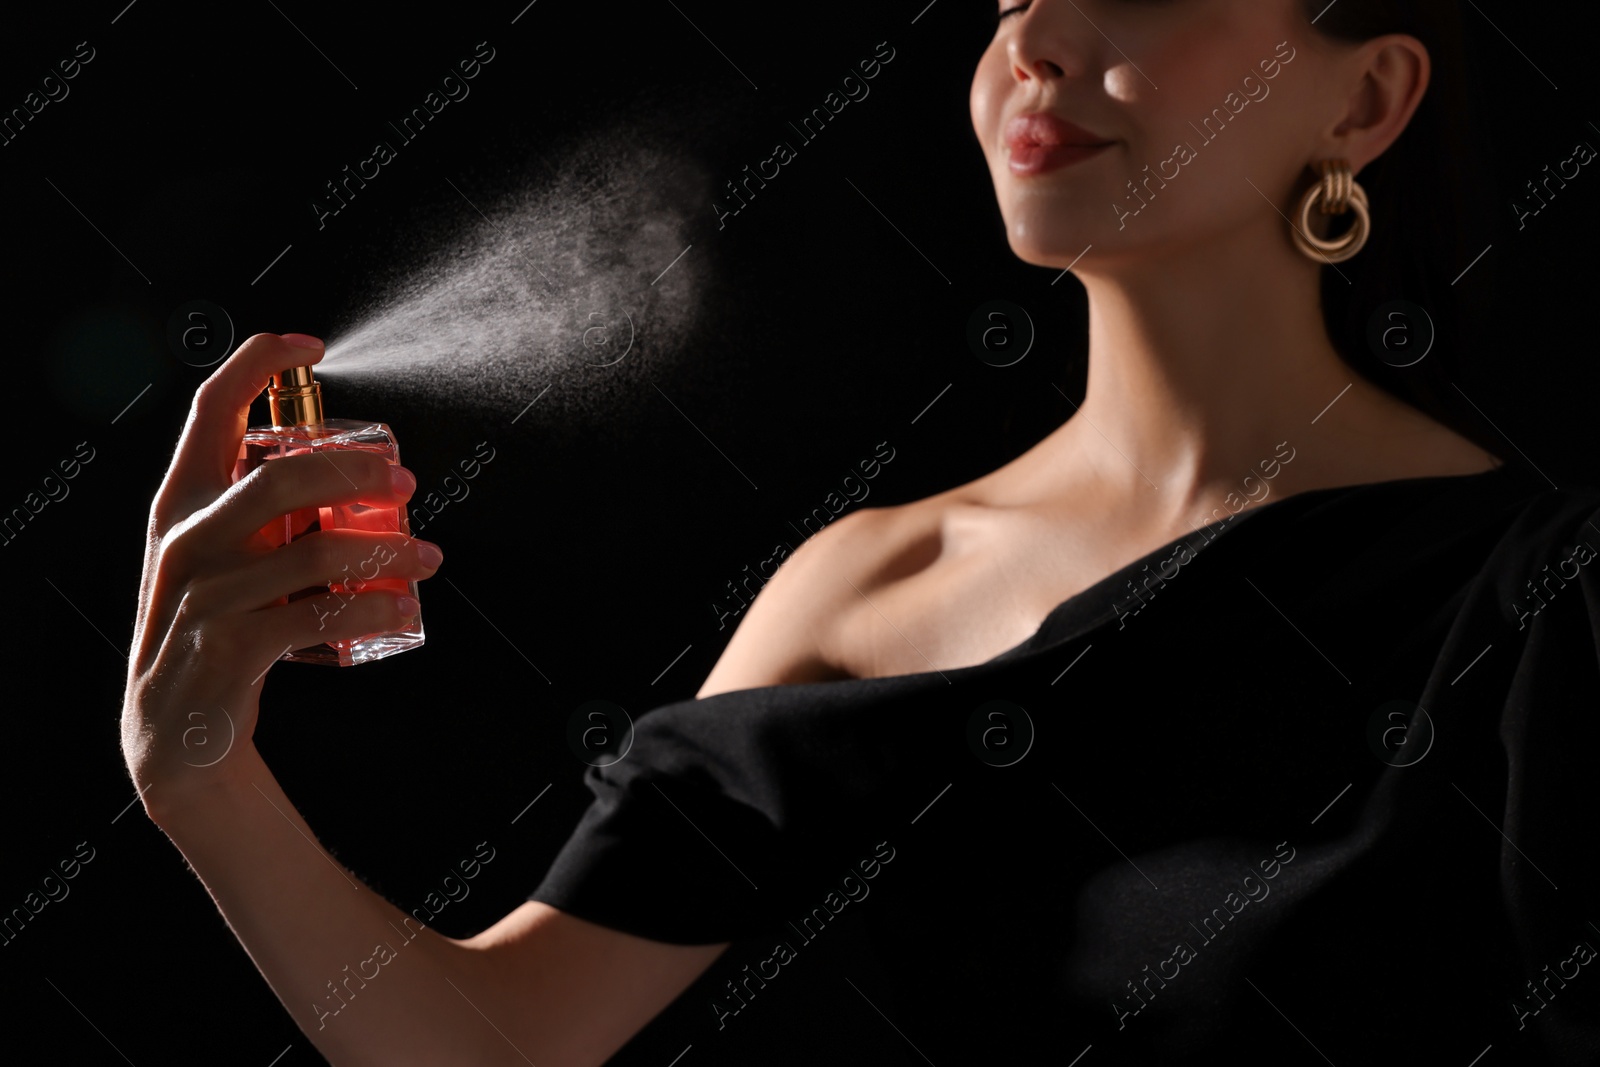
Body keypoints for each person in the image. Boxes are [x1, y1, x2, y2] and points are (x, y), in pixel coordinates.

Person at [121, 1, 1600, 1064]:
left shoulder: (1537, 600)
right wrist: (206, 784)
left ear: (1366, 103)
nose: (1038, 37)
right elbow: (500, 1047)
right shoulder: (865, 583)